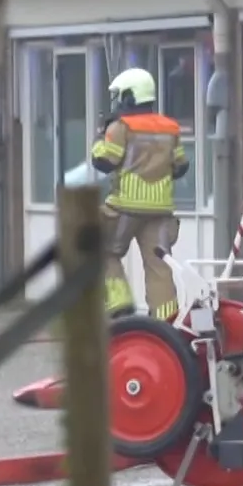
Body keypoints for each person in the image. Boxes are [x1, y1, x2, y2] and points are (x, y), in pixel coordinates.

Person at [90, 67, 189, 321]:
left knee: (101, 250)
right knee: (159, 266)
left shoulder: (120, 127)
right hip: (160, 212)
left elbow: (104, 161)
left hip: (123, 208)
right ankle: (167, 321)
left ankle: (119, 303)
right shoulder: (171, 128)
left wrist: (101, 137)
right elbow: (180, 166)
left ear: (129, 97)